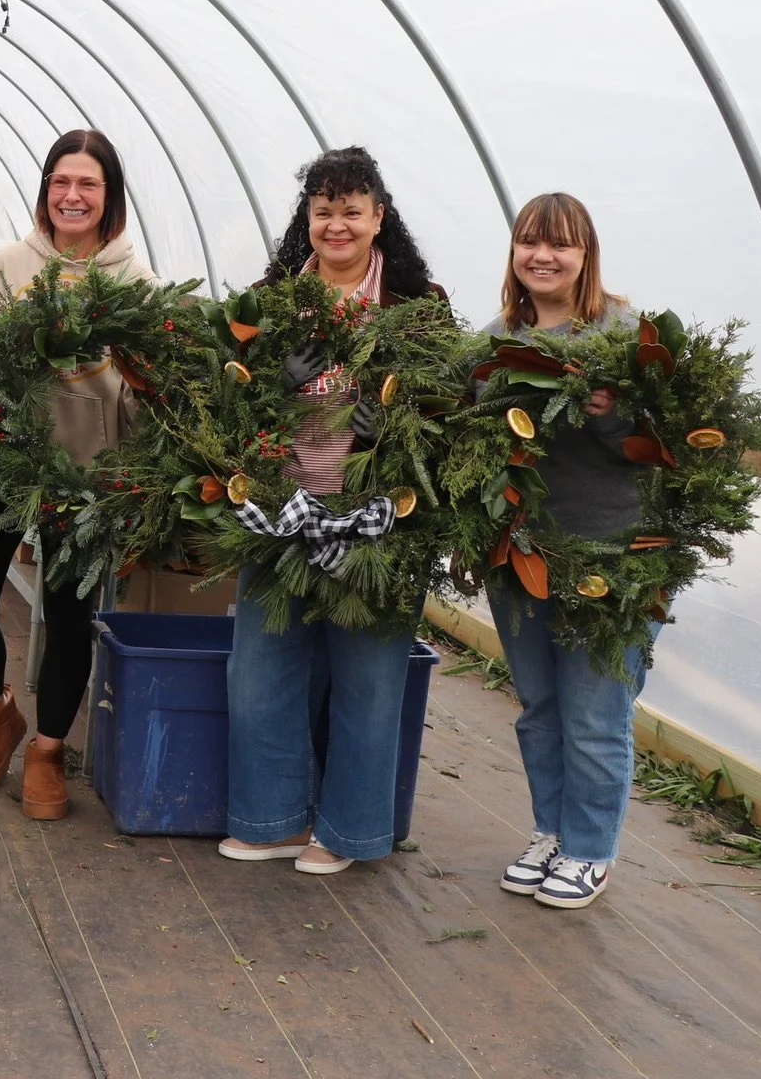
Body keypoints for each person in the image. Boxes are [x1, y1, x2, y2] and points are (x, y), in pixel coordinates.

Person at [218, 146, 444, 875]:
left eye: (352, 210)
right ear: (307, 218)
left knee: (369, 682)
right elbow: (229, 397)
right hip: (283, 517)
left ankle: (348, 832)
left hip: (377, 522)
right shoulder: (272, 300)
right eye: (323, 211)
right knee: (261, 673)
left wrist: (392, 426)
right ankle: (270, 820)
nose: (336, 225)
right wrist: (271, 385)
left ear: (379, 217)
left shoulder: (417, 304)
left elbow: (445, 407)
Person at [0, 131, 146, 820]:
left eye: (88, 184)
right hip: (2, 464)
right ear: (45, 191)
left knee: (70, 617)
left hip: (85, 477)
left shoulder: (135, 284)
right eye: (61, 182)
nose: (72, 196)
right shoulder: (7, 268)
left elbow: (146, 393)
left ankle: (46, 752)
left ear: (109, 196)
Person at [483, 193, 652, 910]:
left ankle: (590, 848)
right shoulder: (497, 339)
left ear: (587, 254)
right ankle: (551, 831)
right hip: (521, 551)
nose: (542, 256)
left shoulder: (626, 335)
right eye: (530, 241)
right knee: (540, 706)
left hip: (610, 552)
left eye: (560, 244)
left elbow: (667, 448)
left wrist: (611, 416)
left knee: (594, 713)